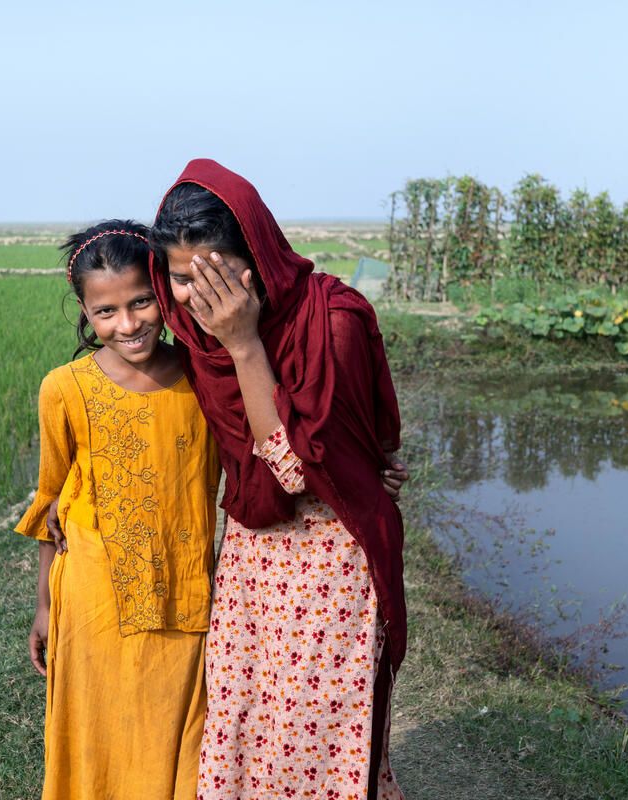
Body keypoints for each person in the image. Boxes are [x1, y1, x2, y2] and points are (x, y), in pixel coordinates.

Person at [148, 159, 408, 800]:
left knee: (316, 729)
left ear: (257, 257)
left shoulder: (332, 321)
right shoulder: (195, 343)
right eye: (182, 279)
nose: (198, 296)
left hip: (327, 563)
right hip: (250, 560)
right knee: (242, 722)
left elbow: (293, 469)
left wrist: (245, 346)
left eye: (214, 273)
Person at [14, 220, 219, 800]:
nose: (127, 325)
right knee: (97, 739)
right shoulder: (64, 389)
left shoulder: (203, 375)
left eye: (141, 302)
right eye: (106, 312)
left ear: (162, 291)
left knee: (181, 743)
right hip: (93, 601)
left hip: (185, 592)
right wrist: (44, 607)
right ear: (83, 309)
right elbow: (50, 503)